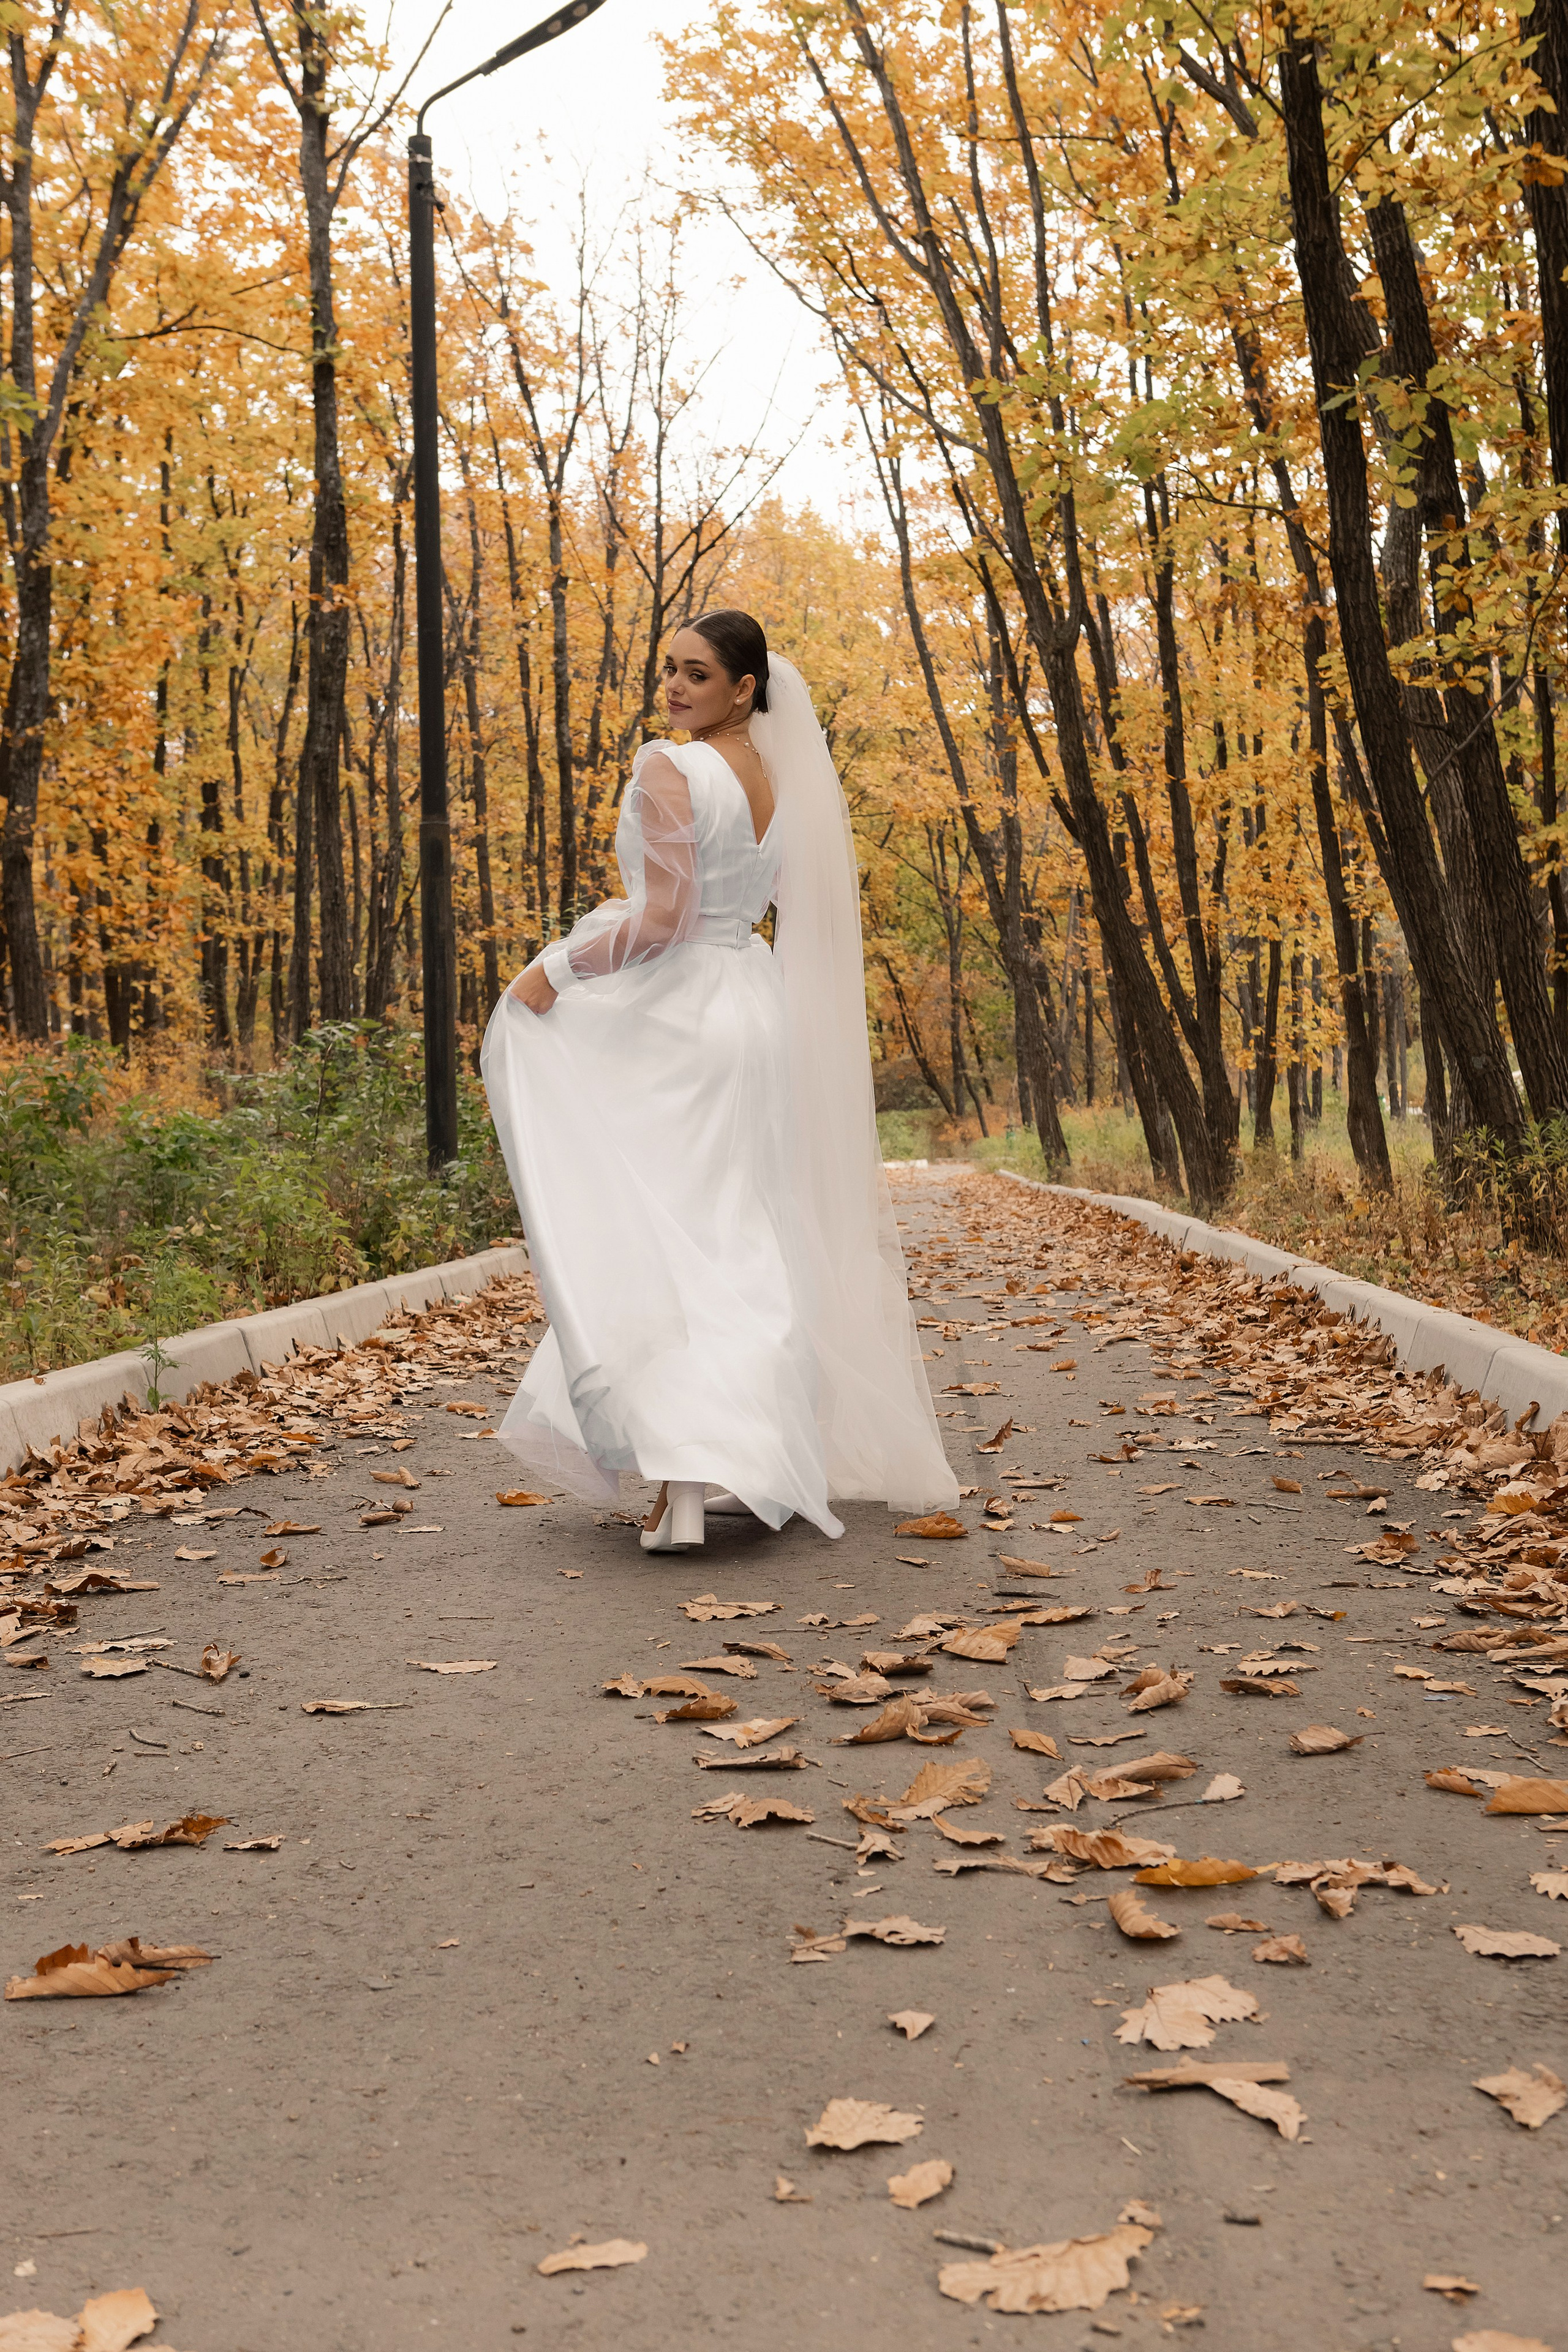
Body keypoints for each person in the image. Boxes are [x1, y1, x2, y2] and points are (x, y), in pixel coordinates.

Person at [480, 609, 957, 1551]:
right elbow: (774, 906)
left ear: (745, 689)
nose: (674, 689)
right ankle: (714, 1468)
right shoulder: (790, 780)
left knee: (664, 1234)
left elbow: (662, 919)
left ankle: (687, 1469)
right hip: (753, 1002)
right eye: (670, 671)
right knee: (738, 1234)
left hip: (681, 1015)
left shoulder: (671, 767)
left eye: (696, 675)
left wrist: (553, 972)